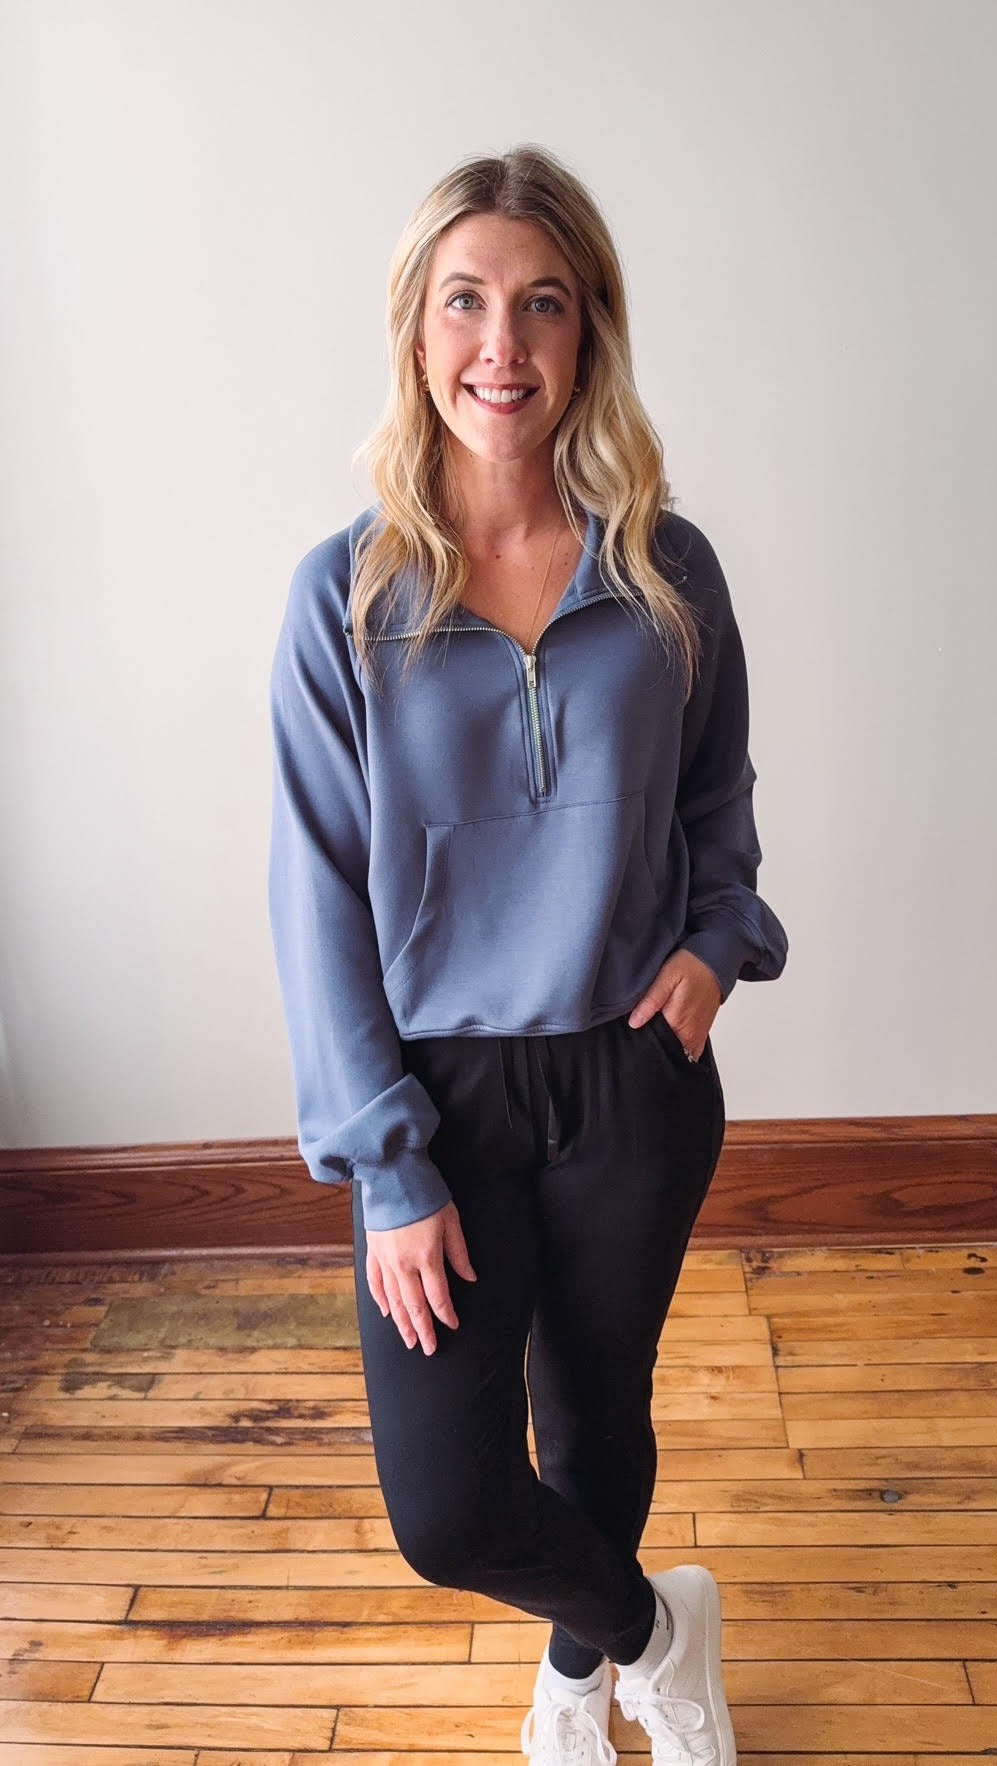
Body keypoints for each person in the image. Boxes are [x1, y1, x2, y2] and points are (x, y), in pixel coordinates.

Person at [268, 143, 788, 1766]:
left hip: (632, 1078)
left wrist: (713, 951)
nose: (503, 344)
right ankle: (655, 1629)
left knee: (593, 1418)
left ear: (588, 334)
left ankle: (578, 1679)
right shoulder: (343, 599)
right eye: (466, 301)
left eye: (543, 305)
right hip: (436, 1100)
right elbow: (315, 894)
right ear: (416, 330)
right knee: (445, 1503)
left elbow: (717, 803)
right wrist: (387, 1165)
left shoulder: (665, 570)